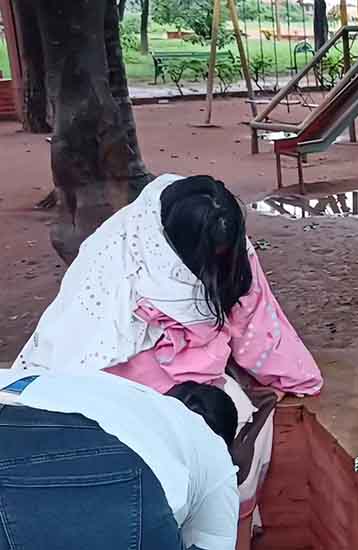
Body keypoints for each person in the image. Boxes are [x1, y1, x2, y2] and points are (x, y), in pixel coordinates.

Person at [13, 174, 324, 546]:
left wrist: (295, 377)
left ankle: (234, 519)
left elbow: (255, 318)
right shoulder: (115, 254)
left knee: (241, 441)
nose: (217, 263)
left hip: (191, 390)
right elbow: (77, 349)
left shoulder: (230, 245)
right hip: (117, 381)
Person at [0, 368, 239, 550]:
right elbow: (213, 543)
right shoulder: (214, 452)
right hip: (105, 460)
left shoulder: (126, 395)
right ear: (224, 440)